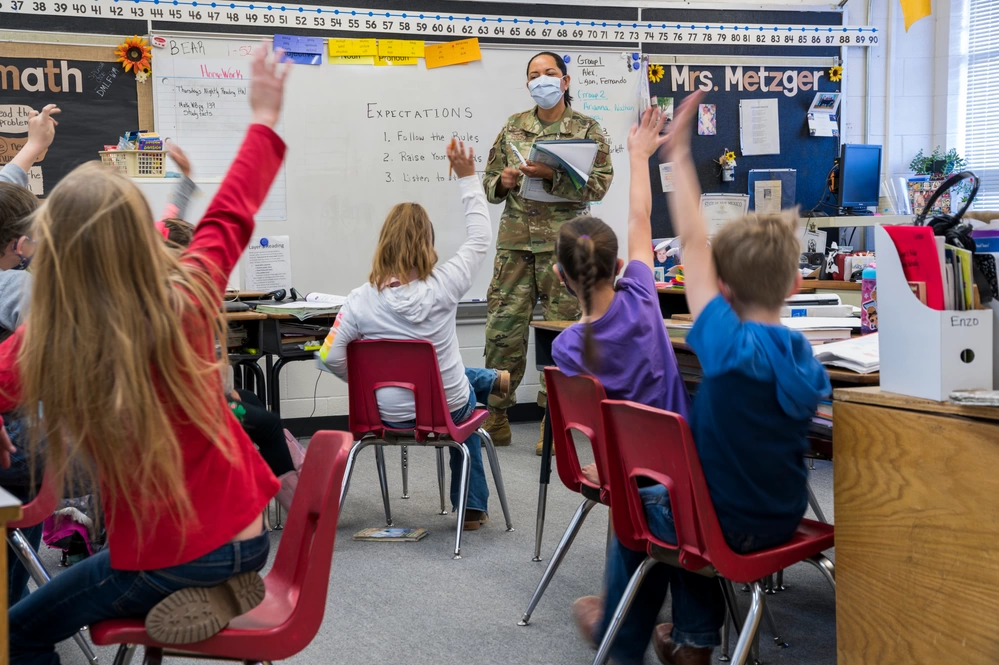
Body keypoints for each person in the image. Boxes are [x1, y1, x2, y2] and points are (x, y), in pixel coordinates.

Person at [1, 46, 289, 662]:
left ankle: (191, 584)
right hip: (248, 537)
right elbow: (232, 211)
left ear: (55, 248)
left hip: (169, 553)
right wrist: (264, 120)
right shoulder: (189, 290)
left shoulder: (56, 333)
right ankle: (214, 585)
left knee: (14, 633)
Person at [578, 93, 831, 665]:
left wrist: (680, 157)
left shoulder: (722, 341)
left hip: (721, 525)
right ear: (795, 285)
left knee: (646, 506)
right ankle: (691, 639)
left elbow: (693, 242)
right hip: (782, 520)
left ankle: (623, 640)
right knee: (690, 494)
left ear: (723, 287)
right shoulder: (806, 358)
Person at [320, 141, 509, 531]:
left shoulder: (358, 300)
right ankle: (471, 508)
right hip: (443, 410)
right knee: (464, 403)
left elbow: (329, 357)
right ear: (429, 242)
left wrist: (364, 383)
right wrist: (468, 177)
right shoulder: (445, 285)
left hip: (382, 414)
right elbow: (479, 239)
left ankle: (485, 379)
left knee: (445, 379)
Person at [482, 51, 615, 453]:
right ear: (528, 84)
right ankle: (496, 416)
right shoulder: (513, 126)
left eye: (549, 73)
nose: (542, 80)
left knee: (563, 333)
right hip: (515, 245)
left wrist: (552, 175)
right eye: (534, 75)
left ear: (565, 80)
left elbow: (599, 185)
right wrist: (504, 181)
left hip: (565, 247)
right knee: (503, 331)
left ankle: (554, 421)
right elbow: (489, 184)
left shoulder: (586, 129)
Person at [0, 105, 59, 605]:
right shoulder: (20, 288)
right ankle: (14, 613)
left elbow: (6, 189)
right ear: (21, 244)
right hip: (17, 447)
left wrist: (33, 148)